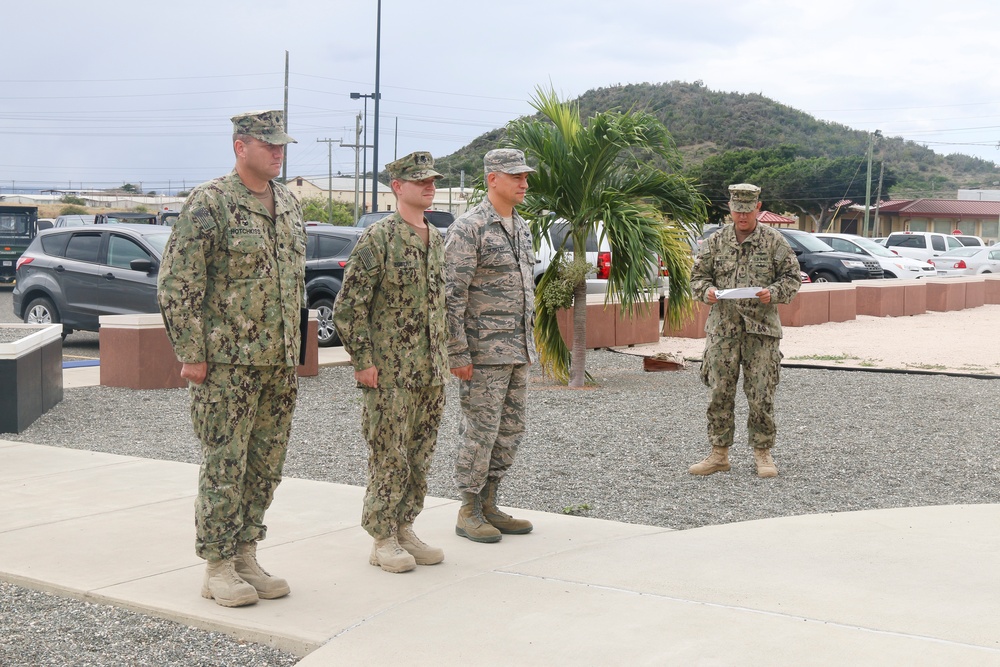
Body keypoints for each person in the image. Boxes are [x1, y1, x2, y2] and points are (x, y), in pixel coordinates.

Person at [157, 110, 305, 607]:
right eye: (269, 145)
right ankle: (217, 567)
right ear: (241, 147)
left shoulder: (286, 203)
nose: (278, 152)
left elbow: (294, 284)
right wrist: (192, 353)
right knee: (225, 464)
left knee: (266, 464)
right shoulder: (211, 203)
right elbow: (178, 282)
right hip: (227, 365)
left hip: (278, 364)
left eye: (282, 144)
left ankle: (245, 554)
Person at [333, 151, 449, 574]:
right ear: (397, 187)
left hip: (430, 371)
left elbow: (440, 307)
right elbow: (348, 307)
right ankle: (382, 538)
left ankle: (405, 528)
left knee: (420, 454)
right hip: (390, 373)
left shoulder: (435, 239)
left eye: (432, 180)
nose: (429, 186)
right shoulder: (379, 238)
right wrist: (363, 360)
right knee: (390, 455)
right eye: (420, 181)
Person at [445, 148, 537, 543]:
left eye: (525, 175)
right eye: (515, 176)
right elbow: (451, 295)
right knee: (480, 430)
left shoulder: (521, 226)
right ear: (491, 179)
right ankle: (468, 509)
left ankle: (490, 502)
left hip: (517, 349)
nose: (523, 182)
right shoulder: (470, 228)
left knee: (510, 429)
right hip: (482, 354)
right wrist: (457, 351)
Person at [688, 183, 801, 478]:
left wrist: (773, 292)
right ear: (730, 207)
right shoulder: (715, 242)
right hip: (723, 330)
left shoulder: (774, 241)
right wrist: (708, 291)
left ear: (758, 207)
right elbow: (697, 278)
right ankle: (719, 453)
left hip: (761, 331)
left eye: (748, 211)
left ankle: (763, 453)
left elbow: (792, 278)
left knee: (761, 393)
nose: (742, 216)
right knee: (719, 393)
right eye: (737, 210)